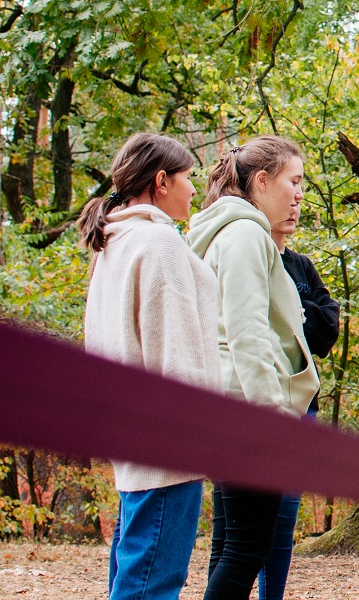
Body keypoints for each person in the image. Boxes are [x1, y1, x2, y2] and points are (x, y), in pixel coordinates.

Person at [79, 133, 223, 600]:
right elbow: (175, 351)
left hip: (132, 435)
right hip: (167, 446)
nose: (194, 190)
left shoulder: (114, 240)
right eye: (188, 178)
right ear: (162, 181)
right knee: (152, 583)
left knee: (134, 570)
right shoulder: (157, 241)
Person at [187, 136, 320, 600]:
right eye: (294, 181)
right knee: (248, 548)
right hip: (245, 412)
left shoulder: (225, 231)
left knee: (231, 544)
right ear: (262, 181)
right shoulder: (244, 234)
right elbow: (246, 333)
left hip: (227, 407)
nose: (300, 193)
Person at [258, 204, 340, 600]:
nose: (295, 204)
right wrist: (303, 318)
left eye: (300, 191)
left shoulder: (302, 266)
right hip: (257, 401)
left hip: (303, 405)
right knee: (242, 522)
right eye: (288, 189)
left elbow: (327, 330)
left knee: (285, 515)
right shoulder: (248, 255)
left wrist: (296, 311)